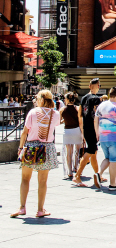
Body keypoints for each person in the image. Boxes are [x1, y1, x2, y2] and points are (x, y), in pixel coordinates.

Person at [11, 89, 61, 218]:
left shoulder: (32, 112)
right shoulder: (55, 114)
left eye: (37, 98)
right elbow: (56, 125)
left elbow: (24, 132)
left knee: (25, 179)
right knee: (43, 181)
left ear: (41, 99)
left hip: (31, 147)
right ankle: (40, 210)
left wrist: (20, 147)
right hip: (47, 147)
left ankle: (22, 207)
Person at [94, 86, 116, 191]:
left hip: (103, 136)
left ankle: (99, 173)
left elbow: (96, 120)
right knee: (113, 160)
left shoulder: (101, 105)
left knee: (108, 158)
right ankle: (113, 184)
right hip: (115, 137)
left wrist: (97, 133)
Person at [74, 78, 104, 187]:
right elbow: (98, 116)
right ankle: (77, 175)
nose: (98, 87)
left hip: (86, 128)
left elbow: (80, 114)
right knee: (91, 151)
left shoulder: (84, 98)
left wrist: (81, 128)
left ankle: (98, 175)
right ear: (96, 86)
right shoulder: (96, 99)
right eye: (98, 85)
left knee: (93, 153)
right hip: (93, 128)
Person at [60, 92, 82, 179]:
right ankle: (75, 167)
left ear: (67, 99)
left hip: (67, 131)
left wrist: (64, 120)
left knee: (69, 152)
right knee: (77, 151)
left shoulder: (62, 109)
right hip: (76, 130)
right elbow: (80, 122)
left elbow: (59, 121)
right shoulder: (78, 108)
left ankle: (69, 171)